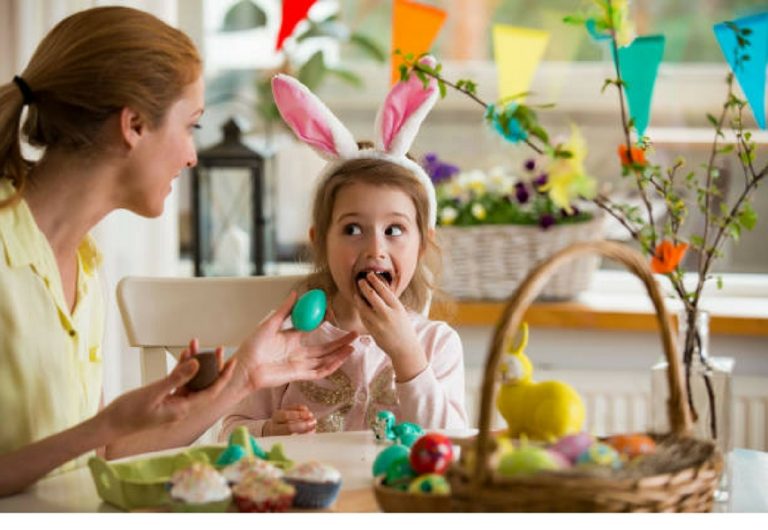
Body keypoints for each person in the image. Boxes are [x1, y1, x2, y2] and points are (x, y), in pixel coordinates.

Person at [0, 6, 356, 498]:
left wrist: (242, 380)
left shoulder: (84, 264)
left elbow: (98, 458)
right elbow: (94, 440)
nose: (192, 155)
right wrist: (103, 425)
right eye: (190, 126)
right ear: (134, 125)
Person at [221, 63, 468, 437]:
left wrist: (407, 356)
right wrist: (268, 430)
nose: (375, 248)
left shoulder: (437, 345)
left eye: (395, 230)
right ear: (320, 241)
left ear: (423, 245)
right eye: (353, 229)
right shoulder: (286, 339)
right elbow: (230, 432)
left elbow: (453, 446)